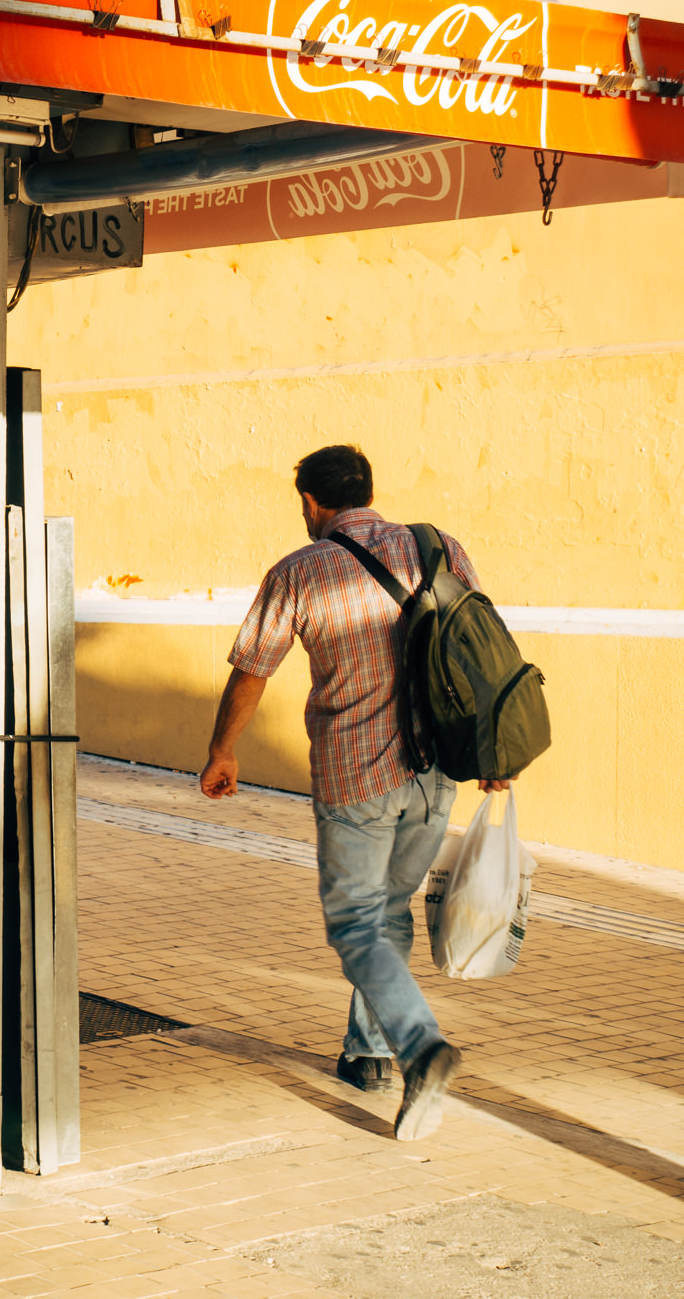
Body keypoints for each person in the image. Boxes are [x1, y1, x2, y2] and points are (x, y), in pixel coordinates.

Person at [199, 444, 511, 1143]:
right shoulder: (440, 548)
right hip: (435, 774)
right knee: (387, 910)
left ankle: (419, 1045)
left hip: (354, 778)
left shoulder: (300, 571)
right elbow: (483, 644)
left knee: (356, 923)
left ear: (311, 501)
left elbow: (253, 669)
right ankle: (368, 1051)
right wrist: (492, 749)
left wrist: (223, 749)